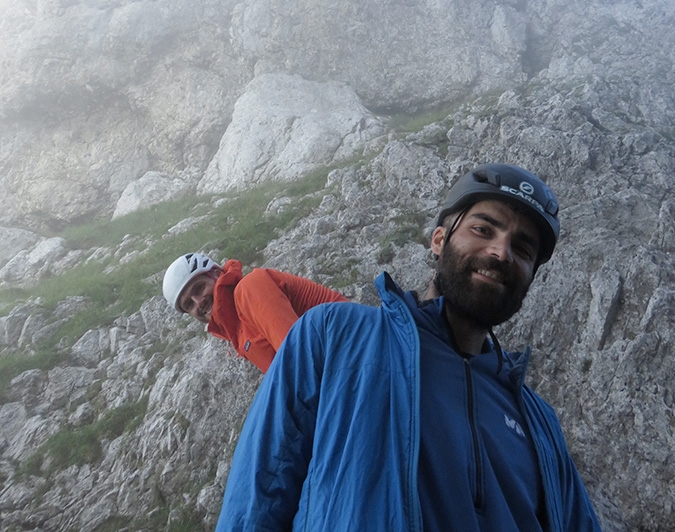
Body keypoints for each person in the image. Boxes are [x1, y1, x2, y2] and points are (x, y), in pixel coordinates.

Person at [215, 163, 603, 532]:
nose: (502, 252)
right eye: (484, 229)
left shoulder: (538, 420)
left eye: (523, 249)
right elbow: (258, 495)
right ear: (439, 240)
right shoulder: (333, 336)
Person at [162, 253, 347, 373]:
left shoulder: (250, 288)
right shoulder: (237, 331)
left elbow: (300, 358)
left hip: (351, 346)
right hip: (338, 363)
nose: (199, 302)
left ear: (217, 274)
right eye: (188, 304)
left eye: (199, 288)